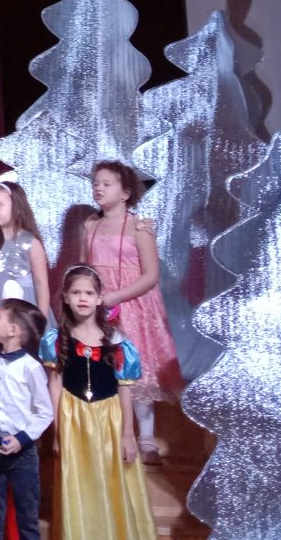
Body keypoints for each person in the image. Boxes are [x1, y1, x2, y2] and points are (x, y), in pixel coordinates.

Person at [41, 267, 156, 540]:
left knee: (112, 479)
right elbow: (55, 385)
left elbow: (125, 390)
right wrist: (58, 431)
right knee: (79, 481)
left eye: (89, 293)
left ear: (99, 298)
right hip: (73, 419)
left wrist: (128, 434)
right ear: (65, 297)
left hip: (109, 420)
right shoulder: (56, 341)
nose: (83, 298)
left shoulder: (117, 342)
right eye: (76, 292)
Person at [82, 159, 179, 463]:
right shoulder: (90, 225)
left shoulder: (140, 227)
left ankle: (146, 438)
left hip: (134, 306)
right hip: (98, 307)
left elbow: (150, 275)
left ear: (125, 193)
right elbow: (84, 268)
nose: (99, 188)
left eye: (106, 184)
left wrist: (117, 297)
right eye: (96, 183)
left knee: (136, 372)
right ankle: (108, 434)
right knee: (101, 370)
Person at [0, 299, 53, 540]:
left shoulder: (31, 367)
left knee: (27, 515)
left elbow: (44, 411)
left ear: (13, 330)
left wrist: (21, 439)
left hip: (23, 453)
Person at [0, 179, 51, 311]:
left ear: (17, 208)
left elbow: (41, 284)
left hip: (24, 307)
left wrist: (41, 316)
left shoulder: (31, 243)